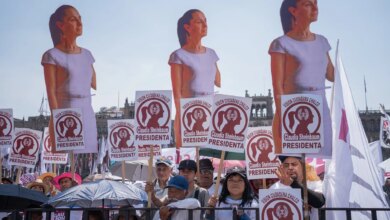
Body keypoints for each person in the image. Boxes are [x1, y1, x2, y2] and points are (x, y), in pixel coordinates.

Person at [269, 0, 334, 156]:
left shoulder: (322, 41)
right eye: (308, 4)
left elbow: (332, 75)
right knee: (296, 162)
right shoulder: (280, 44)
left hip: (320, 107)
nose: (315, 8)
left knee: (322, 159)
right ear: (293, 10)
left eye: (316, 3)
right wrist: (284, 118)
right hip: (293, 109)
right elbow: (277, 86)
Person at [42, 5, 97, 154]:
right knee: (68, 155)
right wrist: (58, 119)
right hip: (65, 113)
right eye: (73, 19)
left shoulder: (87, 55)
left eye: (80, 19)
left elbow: (93, 83)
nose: (79, 23)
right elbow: (51, 92)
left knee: (86, 152)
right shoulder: (51, 55)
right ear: (60, 25)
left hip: (87, 111)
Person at [169, 9, 221, 147]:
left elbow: (218, 81)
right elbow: (177, 94)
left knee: (206, 161)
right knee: (190, 159)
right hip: (189, 116)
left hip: (209, 114)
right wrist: (183, 120)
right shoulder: (178, 56)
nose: (205, 25)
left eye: (206, 21)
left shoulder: (211, 54)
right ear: (187, 27)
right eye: (199, 21)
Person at [270, 155, 325, 220]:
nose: (290, 167)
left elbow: (319, 202)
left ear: (302, 167)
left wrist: (293, 184)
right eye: (286, 165)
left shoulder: (313, 184)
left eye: (294, 164)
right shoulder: (275, 188)